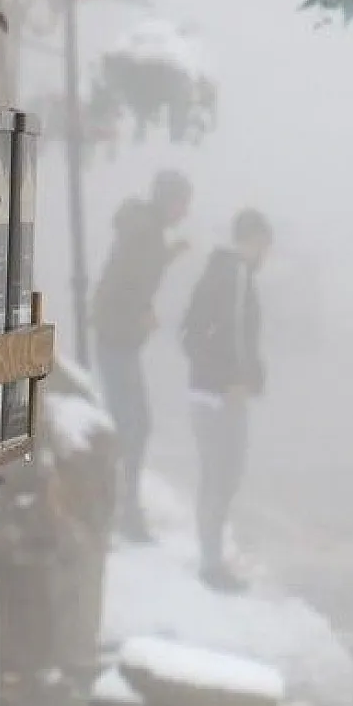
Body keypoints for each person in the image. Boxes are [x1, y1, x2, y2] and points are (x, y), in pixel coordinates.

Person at [91, 169, 193, 542]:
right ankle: (122, 507)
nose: (185, 212)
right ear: (169, 202)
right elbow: (124, 283)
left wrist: (168, 255)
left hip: (118, 339)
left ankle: (122, 505)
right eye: (183, 203)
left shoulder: (144, 232)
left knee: (132, 424)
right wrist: (140, 314)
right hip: (118, 339)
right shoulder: (145, 234)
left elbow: (133, 271)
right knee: (133, 425)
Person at [179, 208, 273, 593]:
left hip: (208, 390)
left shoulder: (219, 270)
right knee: (224, 475)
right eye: (265, 246)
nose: (266, 255)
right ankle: (211, 564)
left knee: (216, 475)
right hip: (221, 395)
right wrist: (236, 379)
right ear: (253, 240)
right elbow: (233, 333)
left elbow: (198, 329)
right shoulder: (235, 274)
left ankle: (211, 557)